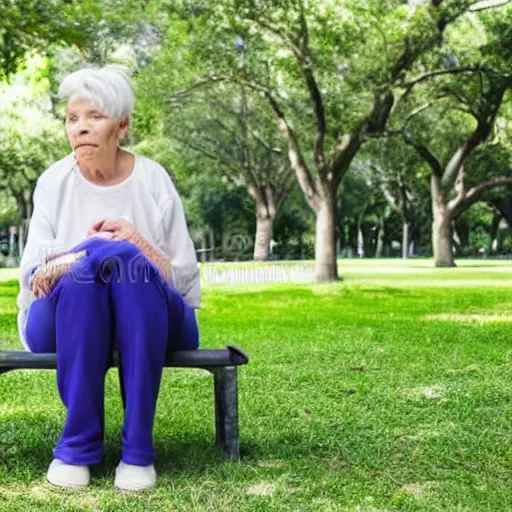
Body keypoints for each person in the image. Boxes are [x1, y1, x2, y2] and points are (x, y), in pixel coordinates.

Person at [16, 65, 201, 491]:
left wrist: (135, 245)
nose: (80, 128)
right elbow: (34, 275)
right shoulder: (52, 183)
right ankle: (80, 446)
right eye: (72, 118)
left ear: (122, 125)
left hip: (156, 316)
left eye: (94, 116)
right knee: (87, 274)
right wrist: (85, 258)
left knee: (124, 261)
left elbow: (185, 279)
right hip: (61, 319)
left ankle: (136, 450)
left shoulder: (153, 179)